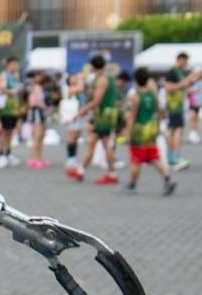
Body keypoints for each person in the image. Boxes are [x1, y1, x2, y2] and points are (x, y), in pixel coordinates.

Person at [120, 66, 175, 195]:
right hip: (151, 129)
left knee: (136, 159)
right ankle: (167, 178)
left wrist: (128, 132)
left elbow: (132, 116)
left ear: (136, 80)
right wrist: (157, 125)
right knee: (154, 157)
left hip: (139, 131)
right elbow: (160, 111)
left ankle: (132, 185)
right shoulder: (152, 94)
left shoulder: (135, 96)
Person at [66, 54, 120, 184]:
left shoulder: (102, 79)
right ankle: (81, 170)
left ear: (93, 66)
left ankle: (111, 173)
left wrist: (81, 111)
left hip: (104, 114)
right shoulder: (106, 77)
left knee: (105, 144)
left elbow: (97, 100)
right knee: (92, 142)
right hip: (103, 114)